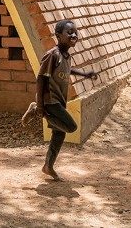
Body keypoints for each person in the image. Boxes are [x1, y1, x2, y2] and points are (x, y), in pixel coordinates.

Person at [21, 19, 97, 180]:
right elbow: (41, 79)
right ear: (58, 35)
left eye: (75, 32)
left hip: (59, 100)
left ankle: (48, 166)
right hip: (50, 100)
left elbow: (68, 70)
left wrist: (85, 74)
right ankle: (35, 111)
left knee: (59, 133)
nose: (74, 35)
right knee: (71, 126)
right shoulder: (52, 55)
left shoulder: (66, 56)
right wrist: (40, 106)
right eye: (69, 32)